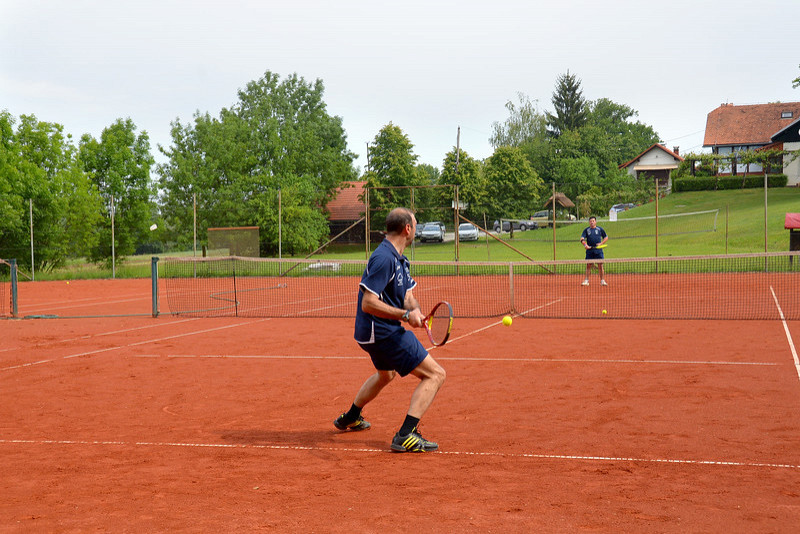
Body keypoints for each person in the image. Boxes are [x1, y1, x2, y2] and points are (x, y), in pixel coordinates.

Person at [333, 207, 446, 453]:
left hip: (374, 332)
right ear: (407, 228)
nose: (416, 228)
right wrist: (405, 316)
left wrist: (415, 312)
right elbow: (368, 303)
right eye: (415, 224)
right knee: (436, 375)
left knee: (386, 375)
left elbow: (407, 297)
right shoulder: (384, 258)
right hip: (381, 331)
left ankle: (351, 416)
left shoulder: (400, 259)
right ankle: (406, 435)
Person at [580, 216, 608, 286]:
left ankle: (602, 281)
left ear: (595, 222)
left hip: (598, 250)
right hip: (590, 250)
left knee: (600, 265)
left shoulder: (600, 229)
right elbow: (582, 239)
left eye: (593, 221)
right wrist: (585, 245)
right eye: (590, 221)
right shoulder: (586, 230)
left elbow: (606, 237)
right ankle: (586, 280)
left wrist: (601, 243)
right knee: (588, 265)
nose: (592, 222)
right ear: (589, 222)